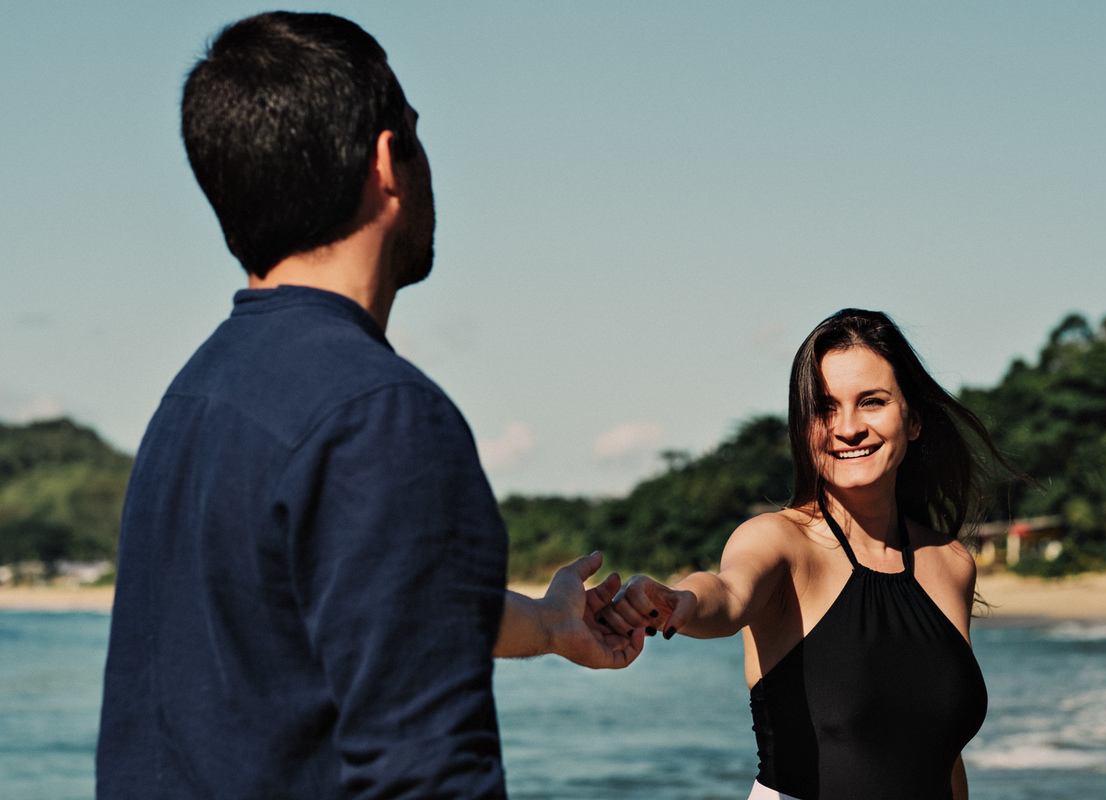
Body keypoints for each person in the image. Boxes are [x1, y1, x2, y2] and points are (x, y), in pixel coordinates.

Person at [97, 12, 641, 800]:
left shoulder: (194, 400)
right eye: (416, 137)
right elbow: (426, 775)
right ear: (389, 161)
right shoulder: (378, 416)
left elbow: (345, 608)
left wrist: (553, 625)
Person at [606, 309, 1026, 800]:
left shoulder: (951, 563)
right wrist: (678, 600)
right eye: (824, 408)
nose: (848, 428)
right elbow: (728, 590)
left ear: (912, 420)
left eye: (871, 402)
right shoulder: (780, 541)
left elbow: (942, 755)